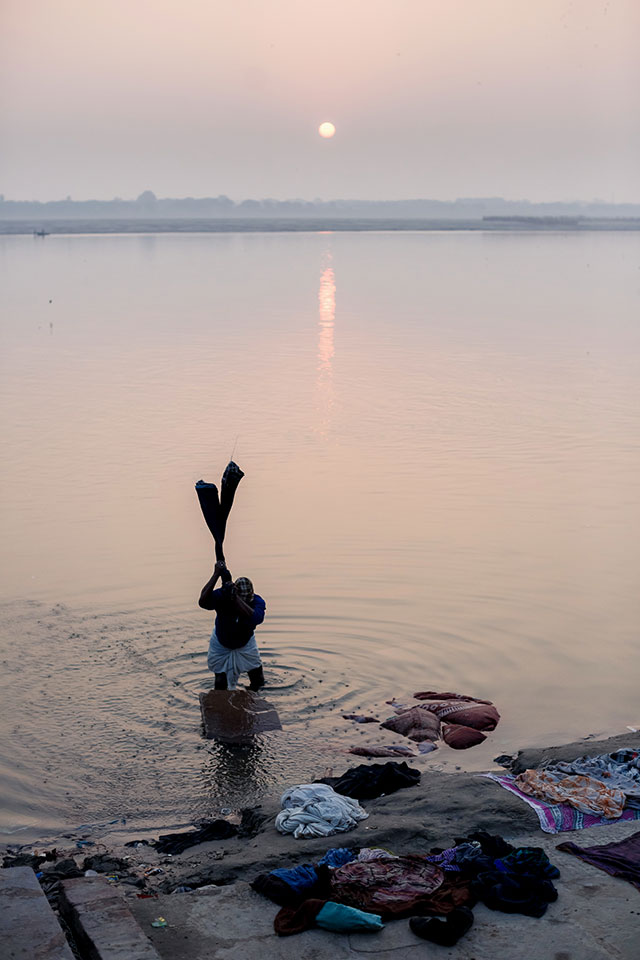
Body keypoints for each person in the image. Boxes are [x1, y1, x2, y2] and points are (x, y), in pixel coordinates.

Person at [199, 559, 266, 691]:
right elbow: (203, 602)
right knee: (220, 682)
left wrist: (235, 599)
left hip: (245, 643)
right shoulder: (224, 594)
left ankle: (253, 701)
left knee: (257, 679)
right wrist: (216, 574)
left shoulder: (258, 602)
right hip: (221, 642)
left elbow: (255, 618)